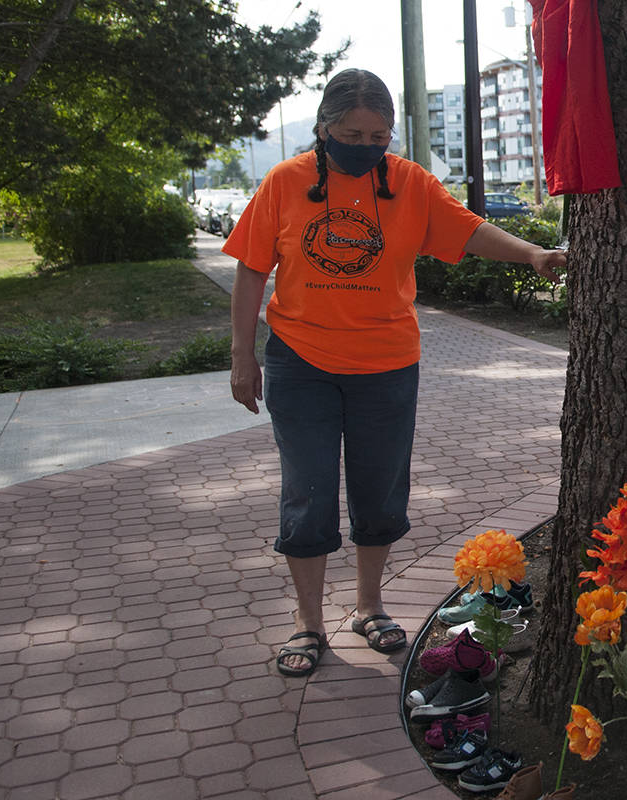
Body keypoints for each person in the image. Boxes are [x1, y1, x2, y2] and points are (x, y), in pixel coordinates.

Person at [225, 68, 566, 677]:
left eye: (379, 134)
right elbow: (251, 269)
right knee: (306, 491)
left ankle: (369, 606)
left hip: (385, 365)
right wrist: (242, 355)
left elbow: (467, 230)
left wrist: (533, 253)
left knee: (380, 489)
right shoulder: (285, 182)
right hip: (300, 362)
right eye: (353, 132)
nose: (366, 144)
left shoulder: (407, 183)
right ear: (324, 128)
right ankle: (308, 622)